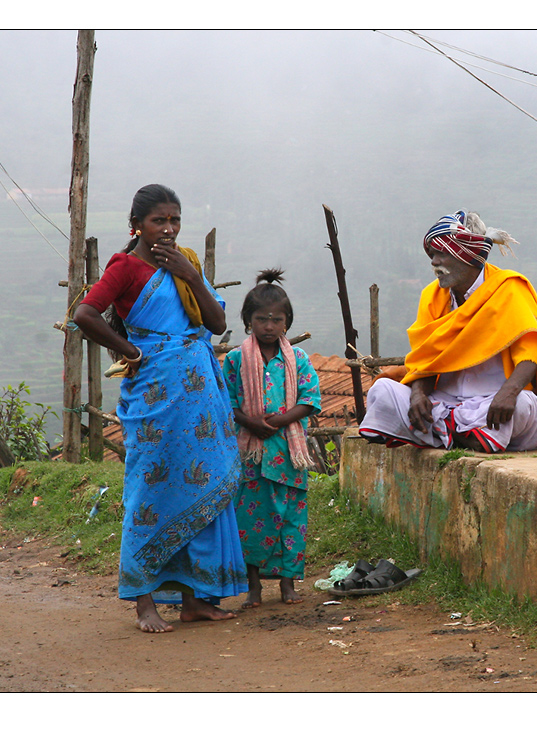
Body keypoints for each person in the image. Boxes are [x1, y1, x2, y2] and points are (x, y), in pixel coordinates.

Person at [73, 183, 247, 633]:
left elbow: (218, 323)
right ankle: (143, 602)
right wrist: (129, 351)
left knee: (201, 489)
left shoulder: (186, 263)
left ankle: (193, 601)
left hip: (200, 397)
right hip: (154, 395)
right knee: (150, 490)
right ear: (137, 225)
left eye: (174, 220)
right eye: (158, 221)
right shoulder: (125, 267)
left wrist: (190, 275)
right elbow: (85, 315)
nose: (168, 229)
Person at [359, 209, 537, 452]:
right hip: (444, 402)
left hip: (494, 403)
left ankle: (439, 434)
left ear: (466, 255)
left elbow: (533, 354)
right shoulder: (431, 296)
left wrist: (509, 393)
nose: (434, 262)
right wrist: (418, 394)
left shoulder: (508, 289)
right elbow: (425, 361)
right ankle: (457, 434)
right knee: (383, 390)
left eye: (441, 253)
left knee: (526, 405)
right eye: (432, 254)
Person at [222, 269, 321, 607]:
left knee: (291, 522)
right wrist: (251, 423)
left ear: (286, 323)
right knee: (248, 522)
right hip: (252, 457)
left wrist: (276, 422)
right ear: (248, 321)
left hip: (288, 458)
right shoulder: (235, 360)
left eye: (275, 320)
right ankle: (253, 588)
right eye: (261, 319)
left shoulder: (299, 359)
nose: (268, 325)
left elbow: (310, 400)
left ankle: (288, 585)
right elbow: (228, 402)